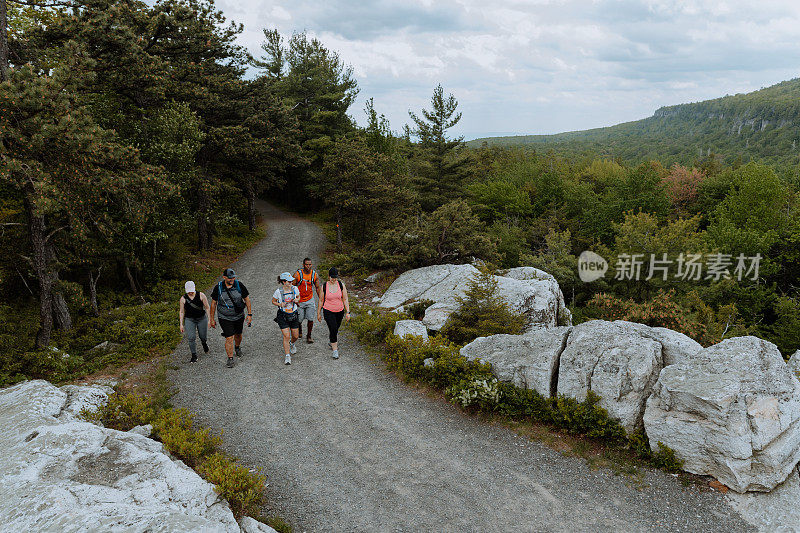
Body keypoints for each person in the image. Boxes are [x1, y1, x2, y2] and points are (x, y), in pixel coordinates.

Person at [209, 268, 252, 368]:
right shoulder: (218, 288)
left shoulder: (239, 285)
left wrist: (249, 314)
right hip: (224, 317)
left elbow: (247, 299)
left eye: (233, 277)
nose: (232, 279)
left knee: (238, 335)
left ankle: (237, 347)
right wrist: (211, 319)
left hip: (238, 316)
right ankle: (230, 358)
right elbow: (213, 303)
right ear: (224, 277)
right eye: (229, 278)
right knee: (229, 337)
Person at [317, 267, 350, 360]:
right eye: (332, 278)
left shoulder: (341, 285)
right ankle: (335, 350)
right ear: (329, 276)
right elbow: (321, 300)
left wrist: (348, 312)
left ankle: (332, 340)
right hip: (328, 310)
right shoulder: (324, 286)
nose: (334, 279)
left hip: (340, 311)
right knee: (333, 327)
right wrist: (318, 313)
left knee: (335, 329)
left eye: (335, 278)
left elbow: (345, 299)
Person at [273, 272, 301, 365]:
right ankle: (287, 356)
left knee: (296, 335)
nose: (291, 282)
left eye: (291, 281)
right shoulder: (278, 291)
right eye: (289, 281)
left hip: (293, 314)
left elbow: (298, 297)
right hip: (282, 315)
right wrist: (280, 304)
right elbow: (273, 301)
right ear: (284, 282)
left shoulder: (295, 289)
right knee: (286, 336)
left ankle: (292, 344)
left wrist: (297, 300)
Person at [179, 281, 210, 363]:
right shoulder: (183, 299)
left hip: (201, 319)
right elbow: (181, 312)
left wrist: (210, 319)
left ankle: (204, 343)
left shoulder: (201, 295)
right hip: (190, 319)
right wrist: (181, 324)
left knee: (202, 336)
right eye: (188, 290)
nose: (190, 292)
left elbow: (207, 307)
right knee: (191, 337)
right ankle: (194, 355)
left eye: (191, 290)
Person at [292, 257, 322, 344]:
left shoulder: (314, 275)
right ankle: (300, 329)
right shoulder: (297, 275)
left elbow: (317, 287)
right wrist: (293, 299)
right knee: (299, 319)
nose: (308, 266)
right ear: (303, 265)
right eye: (306, 264)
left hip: (310, 299)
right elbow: (292, 287)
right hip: (300, 300)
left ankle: (309, 336)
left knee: (310, 319)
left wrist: (321, 299)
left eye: (310, 264)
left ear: (311, 265)